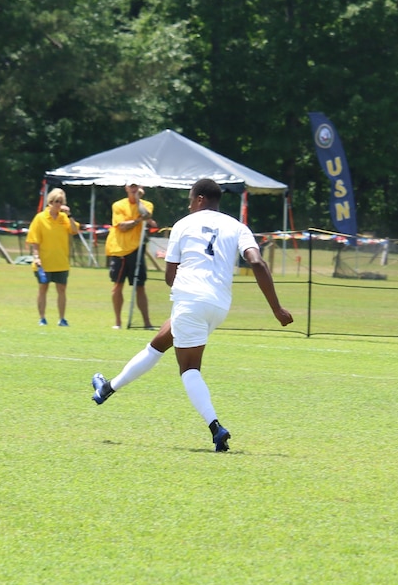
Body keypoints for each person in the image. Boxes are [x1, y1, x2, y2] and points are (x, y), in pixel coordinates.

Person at [90, 178, 293, 452]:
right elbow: (257, 262)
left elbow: (169, 276)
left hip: (190, 302)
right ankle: (107, 389)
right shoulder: (238, 226)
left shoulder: (184, 224)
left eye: (189, 199)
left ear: (198, 199)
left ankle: (215, 428)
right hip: (219, 306)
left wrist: (189, 294)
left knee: (189, 370)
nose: (188, 203)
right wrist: (277, 309)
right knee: (159, 343)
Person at [26, 187, 80, 326]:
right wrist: (36, 257)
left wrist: (70, 215)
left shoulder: (64, 218)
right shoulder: (40, 218)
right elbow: (34, 240)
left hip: (61, 261)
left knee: (61, 289)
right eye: (56, 201)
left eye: (61, 202)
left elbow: (74, 230)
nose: (58, 204)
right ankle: (42, 318)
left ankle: (62, 319)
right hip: (44, 262)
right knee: (43, 288)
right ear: (50, 202)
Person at [106, 181, 155, 329]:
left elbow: (146, 213)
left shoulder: (147, 204)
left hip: (136, 250)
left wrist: (139, 200)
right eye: (131, 186)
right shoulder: (118, 205)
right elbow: (122, 227)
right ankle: (118, 322)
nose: (134, 189)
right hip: (120, 250)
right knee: (117, 286)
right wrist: (140, 220)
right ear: (126, 188)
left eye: (136, 186)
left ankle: (147, 323)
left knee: (140, 286)